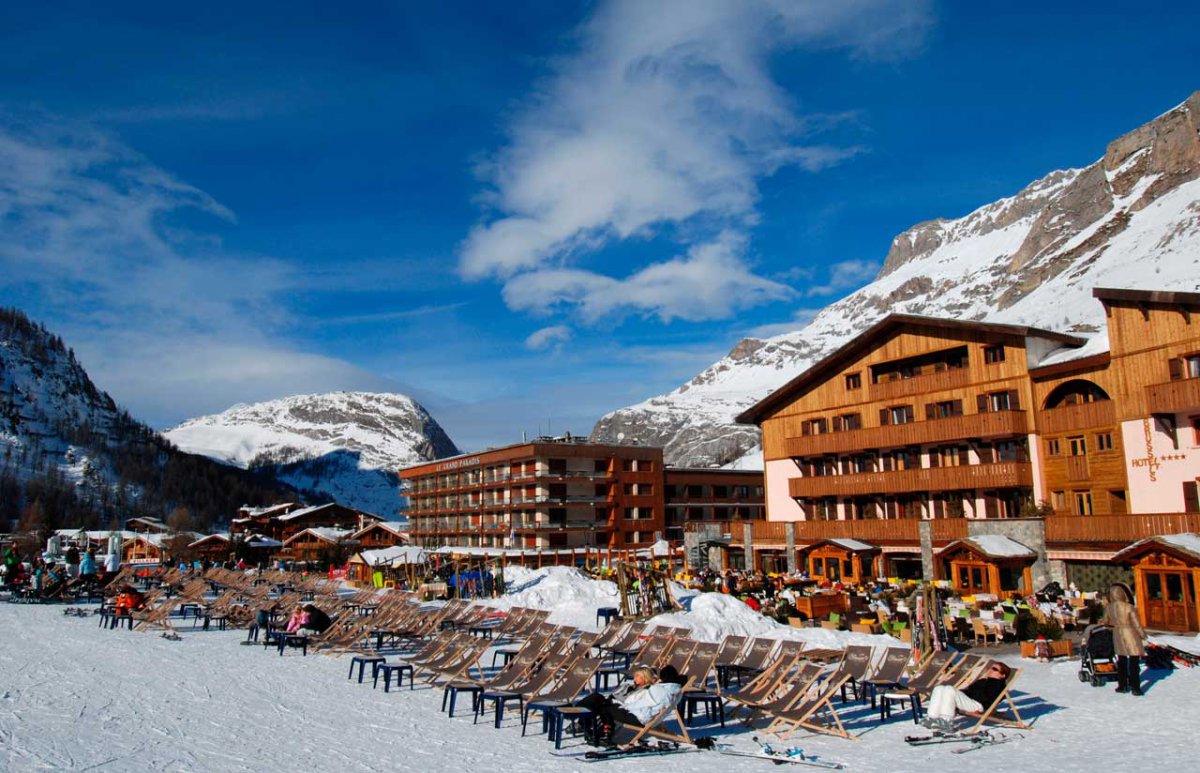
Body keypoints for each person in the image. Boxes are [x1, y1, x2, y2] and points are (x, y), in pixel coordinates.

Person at [575, 666, 682, 747]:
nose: (634, 678)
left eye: (637, 676)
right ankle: (588, 724)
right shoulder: (668, 691)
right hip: (636, 715)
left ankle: (597, 730)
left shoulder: (656, 690)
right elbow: (654, 707)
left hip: (637, 717)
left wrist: (622, 707)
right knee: (600, 701)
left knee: (602, 704)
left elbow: (640, 705)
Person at [922, 661, 1011, 732]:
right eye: (991, 668)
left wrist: (970, 693)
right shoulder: (984, 681)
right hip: (969, 700)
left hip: (978, 705)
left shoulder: (999, 686)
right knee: (939, 688)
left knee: (949, 690)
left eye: (995, 669)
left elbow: (987, 698)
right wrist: (965, 693)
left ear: (1003, 675)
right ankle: (932, 718)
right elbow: (971, 690)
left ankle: (947, 721)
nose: (990, 670)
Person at [1102, 582, 1147, 695]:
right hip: (1131, 633)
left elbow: (1106, 623)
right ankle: (1135, 688)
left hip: (1117, 633)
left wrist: (1114, 628)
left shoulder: (1109, 607)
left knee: (1121, 660)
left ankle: (1122, 685)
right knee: (1134, 661)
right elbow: (1136, 623)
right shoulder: (1129, 607)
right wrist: (1142, 634)